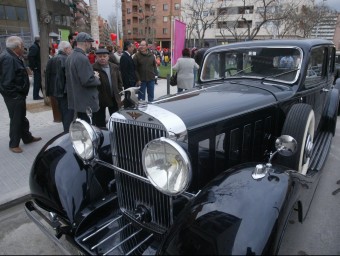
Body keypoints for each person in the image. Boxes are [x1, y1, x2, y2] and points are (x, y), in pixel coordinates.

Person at [0, 36, 42, 153]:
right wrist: (15, 95)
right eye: (22, 45)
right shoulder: (8, 58)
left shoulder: (13, 56)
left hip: (18, 94)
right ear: (17, 47)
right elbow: (7, 82)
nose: (24, 47)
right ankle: (14, 144)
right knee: (16, 119)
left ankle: (27, 137)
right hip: (14, 96)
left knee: (21, 118)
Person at [65, 32, 101, 124]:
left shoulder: (70, 56)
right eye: (90, 42)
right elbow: (87, 81)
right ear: (85, 42)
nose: (90, 45)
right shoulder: (82, 58)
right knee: (89, 130)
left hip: (78, 101)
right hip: (86, 102)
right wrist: (95, 77)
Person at [45, 41, 74, 132]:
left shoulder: (51, 59)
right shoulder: (67, 59)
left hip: (56, 92)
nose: (71, 50)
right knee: (68, 114)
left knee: (63, 112)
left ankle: (66, 130)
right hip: (64, 92)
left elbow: (47, 77)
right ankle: (67, 133)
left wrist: (49, 92)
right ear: (66, 49)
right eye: (70, 48)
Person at [92, 48, 123, 127]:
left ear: (108, 57)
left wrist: (119, 91)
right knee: (100, 120)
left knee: (116, 118)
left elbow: (119, 80)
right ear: (97, 57)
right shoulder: (93, 68)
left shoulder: (114, 67)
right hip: (100, 98)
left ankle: (115, 132)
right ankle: (101, 133)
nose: (102, 58)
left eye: (104, 56)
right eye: (100, 56)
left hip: (113, 96)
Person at [28, 35, 43, 100]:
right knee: (37, 82)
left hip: (38, 67)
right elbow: (30, 57)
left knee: (39, 81)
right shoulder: (34, 47)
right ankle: (36, 96)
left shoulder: (36, 46)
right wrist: (34, 67)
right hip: (37, 68)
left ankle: (38, 95)